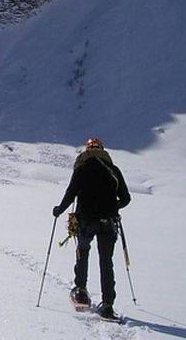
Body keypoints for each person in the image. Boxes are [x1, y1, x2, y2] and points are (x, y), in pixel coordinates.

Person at [53, 137, 131, 320]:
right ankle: (108, 305)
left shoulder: (81, 169)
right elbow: (126, 198)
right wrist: (112, 206)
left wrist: (58, 210)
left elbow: (71, 194)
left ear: (87, 151)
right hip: (108, 222)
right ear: (102, 150)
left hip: (86, 220)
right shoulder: (113, 170)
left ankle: (81, 291)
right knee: (106, 261)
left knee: (83, 252)